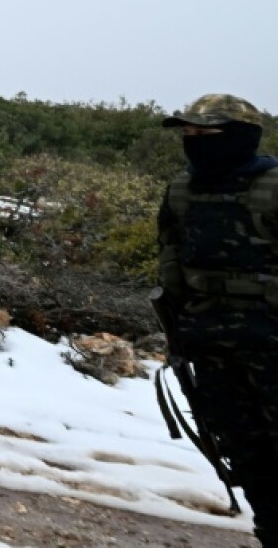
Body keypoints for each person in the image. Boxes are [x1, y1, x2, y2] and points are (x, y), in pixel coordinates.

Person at [157, 94, 278, 546]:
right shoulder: (182, 191)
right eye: (189, 135)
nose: (195, 142)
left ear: (241, 136)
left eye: (206, 134)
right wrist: (178, 330)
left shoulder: (273, 186)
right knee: (243, 451)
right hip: (208, 340)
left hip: (271, 340)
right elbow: (171, 260)